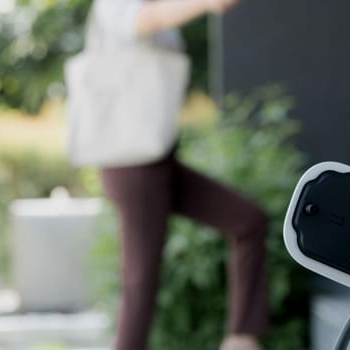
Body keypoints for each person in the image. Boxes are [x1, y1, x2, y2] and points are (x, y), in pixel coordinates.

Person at [91, 1, 270, 350]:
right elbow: (143, 22)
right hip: (131, 163)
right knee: (141, 282)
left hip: (159, 159)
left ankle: (241, 338)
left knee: (248, 220)